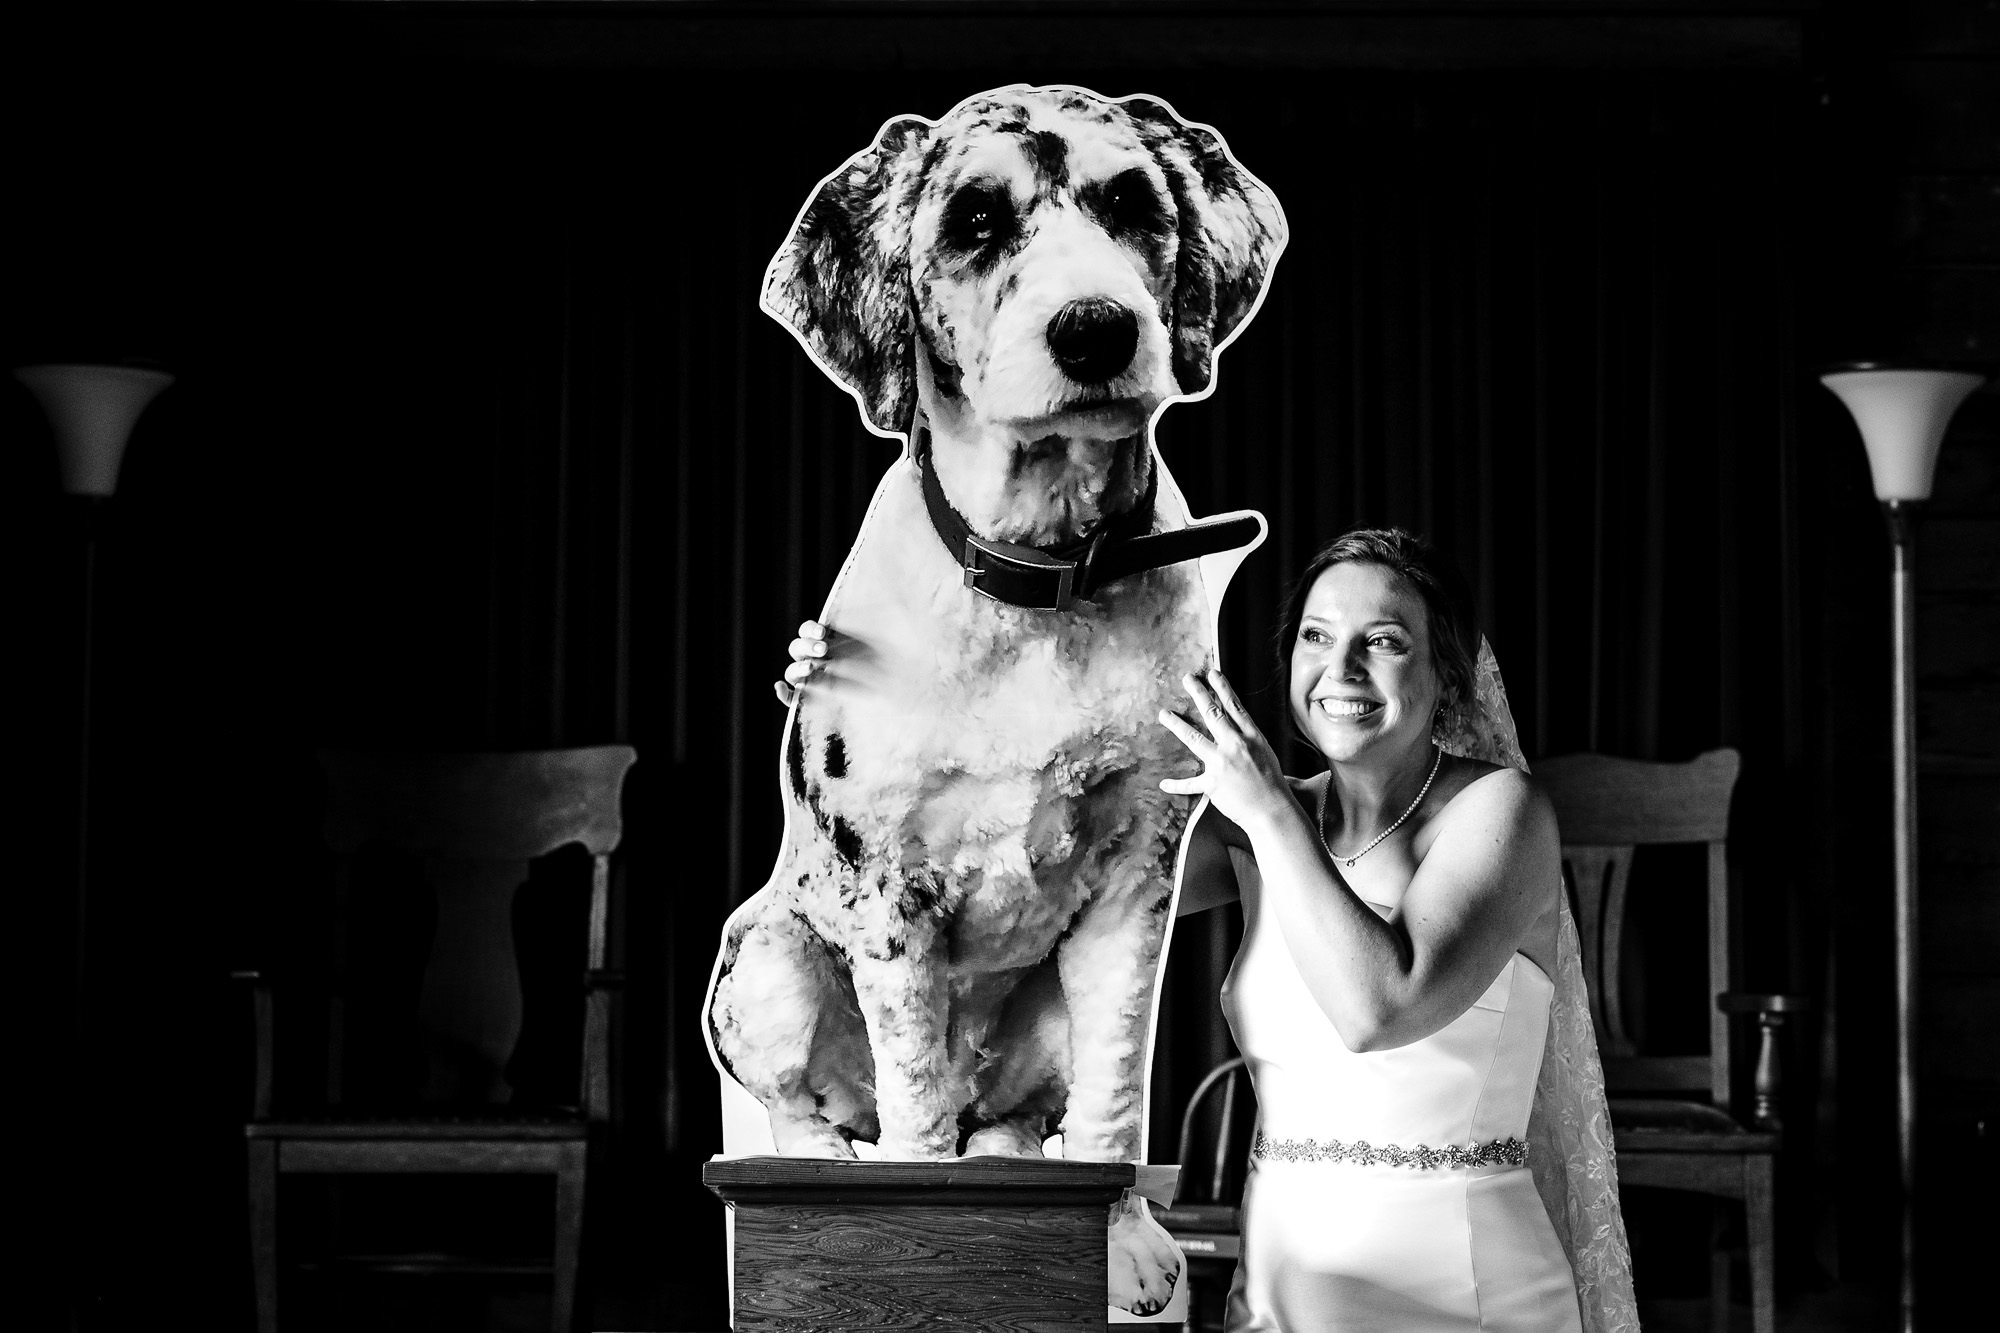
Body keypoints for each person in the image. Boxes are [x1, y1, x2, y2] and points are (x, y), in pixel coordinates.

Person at [776, 527, 1637, 1333]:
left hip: (1467, 1292)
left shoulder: (1502, 811)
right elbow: (1009, 904)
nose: (1340, 666)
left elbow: (1380, 1006)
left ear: (1446, 673)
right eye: (1315, 635)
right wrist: (873, 704)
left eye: (1384, 639)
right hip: (1280, 1293)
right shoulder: (1262, 824)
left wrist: (1266, 809)